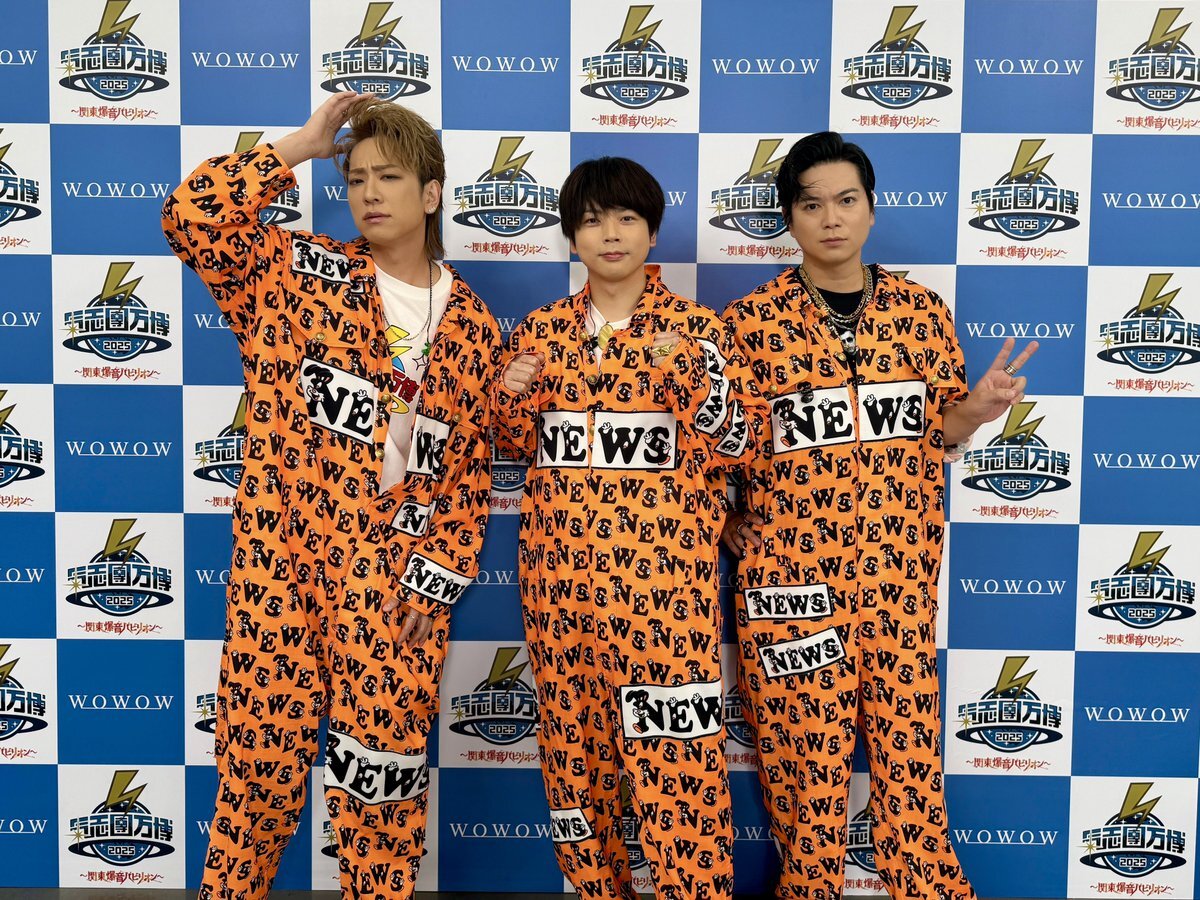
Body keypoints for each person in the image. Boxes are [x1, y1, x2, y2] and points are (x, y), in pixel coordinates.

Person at [163, 92, 500, 899]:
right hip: (281, 565)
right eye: (355, 179)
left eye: (390, 177)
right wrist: (297, 148)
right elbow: (190, 219)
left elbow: (466, 479)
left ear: (432, 192)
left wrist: (434, 583)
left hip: (393, 584)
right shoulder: (294, 273)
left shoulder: (477, 327)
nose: (369, 193)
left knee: (382, 793)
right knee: (255, 776)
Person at [721, 132, 1037, 900]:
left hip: (898, 586)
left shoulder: (921, 312)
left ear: (871, 208)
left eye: (846, 200)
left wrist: (977, 411)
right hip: (790, 594)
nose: (831, 218)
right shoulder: (748, 322)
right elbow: (719, 451)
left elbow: (940, 432)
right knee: (805, 789)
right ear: (789, 218)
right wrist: (731, 529)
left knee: (912, 781)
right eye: (811, 204)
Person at [492, 157, 760, 900]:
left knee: (682, 778)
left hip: (664, 598)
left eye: (626, 218)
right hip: (559, 594)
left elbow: (741, 443)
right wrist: (510, 395)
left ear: (652, 231)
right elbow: (513, 446)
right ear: (571, 234)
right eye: (591, 220)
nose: (609, 233)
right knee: (575, 775)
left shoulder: (698, 331)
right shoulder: (541, 331)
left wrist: (693, 383)